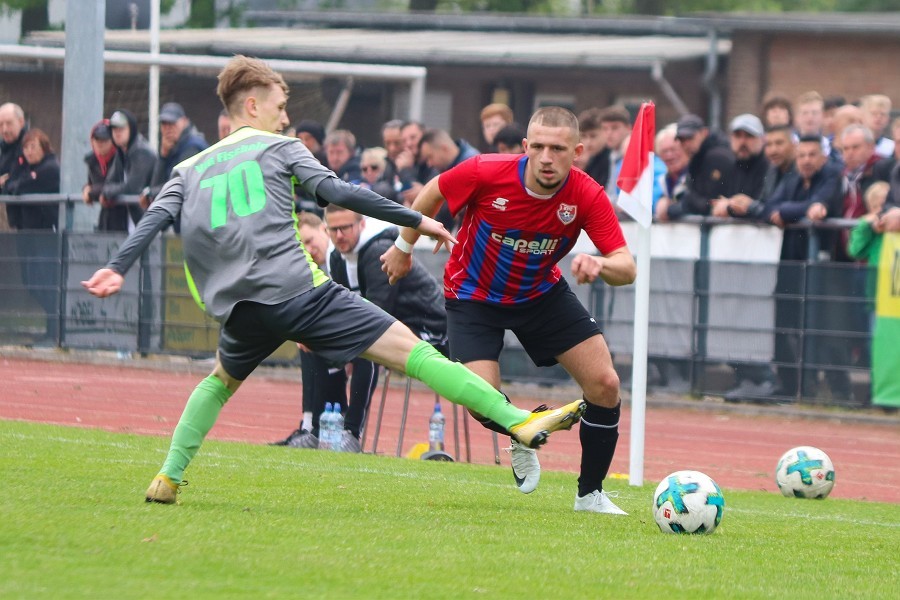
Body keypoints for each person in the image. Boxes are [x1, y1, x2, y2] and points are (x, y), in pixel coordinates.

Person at [81, 55, 583, 504]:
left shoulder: (187, 168)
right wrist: (414, 218)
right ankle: (518, 420)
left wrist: (116, 267)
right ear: (252, 105)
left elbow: (153, 219)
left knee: (219, 382)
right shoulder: (279, 148)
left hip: (239, 308)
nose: (285, 118)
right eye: (280, 107)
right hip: (299, 292)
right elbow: (339, 191)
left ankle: (168, 477)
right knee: (415, 352)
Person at [382, 106, 636, 515]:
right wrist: (403, 246)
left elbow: (627, 267)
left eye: (558, 149)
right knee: (479, 399)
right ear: (525, 146)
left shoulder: (587, 194)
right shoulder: (485, 170)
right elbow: (432, 191)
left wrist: (601, 264)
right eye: (538, 147)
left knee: (605, 384)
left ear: (577, 152)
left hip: (540, 294)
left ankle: (590, 495)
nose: (546, 157)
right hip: (473, 296)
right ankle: (523, 429)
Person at [764, 135, 843, 400]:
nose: (806, 161)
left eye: (812, 155)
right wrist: (794, 210)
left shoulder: (832, 175)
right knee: (784, 323)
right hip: (790, 262)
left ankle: (821, 389)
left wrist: (786, 212)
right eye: (801, 155)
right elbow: (770, 206)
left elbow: (820, 204)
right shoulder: (792, 179)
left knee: (817, 326)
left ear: (823, 157)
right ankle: (786, 385)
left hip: (821, 265)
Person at [3, 128, 60, 344]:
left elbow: (19, 185)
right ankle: (50, 331)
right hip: (26, 232)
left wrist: (13, 184)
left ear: (44, 147)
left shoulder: (50, 167)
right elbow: (11, 185)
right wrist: (13, 184)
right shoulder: (25, 168)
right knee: (30, 281)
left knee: (45, 281)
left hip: (45, 234)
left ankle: (54, 333)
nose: (28, 151)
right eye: (25, 147)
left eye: (33, 146)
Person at [658, 114, 734, 220]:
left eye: (690, 138)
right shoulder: (698, 156)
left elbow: (710, 203)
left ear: (704, 133)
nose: (686, 144)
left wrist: (676, 207)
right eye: (682, 139)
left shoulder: (716, 158)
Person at [140, 101, 208, 210]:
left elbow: (180, 184)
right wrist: (163, 156)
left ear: (184, 121)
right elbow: (156, 184)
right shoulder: (172, 147)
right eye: (164, 124)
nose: (168, 128)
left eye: (172, 123)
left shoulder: (192, 146)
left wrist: (150, 193)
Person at [101, 109, 156, 231]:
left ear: (131, 128)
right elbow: (108, 184)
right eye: (114, 129)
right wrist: (107, 191)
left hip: (151, 224)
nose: (117, 132)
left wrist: (108, 192)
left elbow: (132, 188)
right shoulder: (121, 151)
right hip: (134, 223)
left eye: (121, 128)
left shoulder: (142, 152)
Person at [81, 120, 118, 227]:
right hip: (105, 215)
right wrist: (86, 189)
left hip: (125, 215)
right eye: (97, 139)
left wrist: (91, 191)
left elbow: (116, 185)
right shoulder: (92, 161)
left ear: (113, 141)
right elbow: (92, 184)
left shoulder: (121, 159)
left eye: (104, 139)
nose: (100, 143)